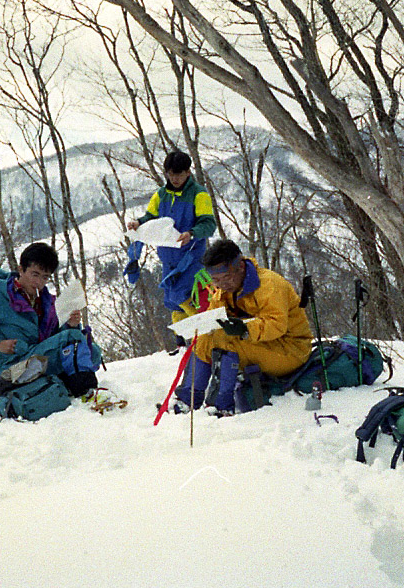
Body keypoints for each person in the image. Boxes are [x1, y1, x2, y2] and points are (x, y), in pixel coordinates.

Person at [175, 239, 312, 415]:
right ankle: (188, 399)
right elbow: (213, 318)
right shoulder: (225, 290)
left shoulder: (269, 285)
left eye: (226, 277)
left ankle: (222, 404)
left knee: (227, 344)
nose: (222, 284)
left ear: (240, 266)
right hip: (263, 345)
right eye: (216, 280)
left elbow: (277, 325)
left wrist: (245, 330)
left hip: (290, 349)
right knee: (205, 338)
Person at [0, 242, 98, 394]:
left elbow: (55, 339)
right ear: (21, 270)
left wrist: (70, 325)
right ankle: (81, 388)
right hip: (13, 366)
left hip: (38, 359)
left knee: (92, 351)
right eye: (34, 274)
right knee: (73, 339)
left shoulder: (47, 302)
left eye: (45, 277)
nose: (39, 282)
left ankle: (60, 383)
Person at [126, 150, 218, 324]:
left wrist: (191, 233)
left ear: (188, 172)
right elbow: (150, 218)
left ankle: (207, 332)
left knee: (186, 296)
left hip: (191, 258)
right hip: (168, 259)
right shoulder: (161, 194)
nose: (174, 179)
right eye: (170, 174)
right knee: (171, 301)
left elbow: (209, 225)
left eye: (179, 174)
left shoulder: (199, 195)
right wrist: (138, 223)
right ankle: (183, 343)